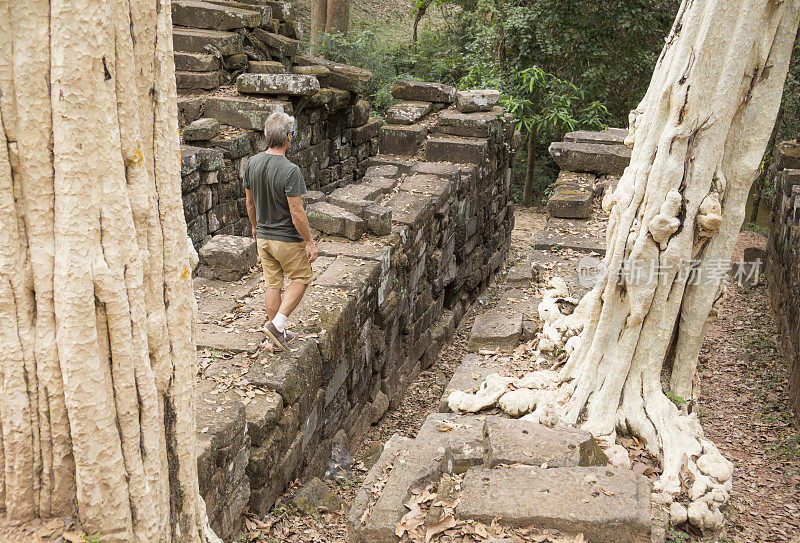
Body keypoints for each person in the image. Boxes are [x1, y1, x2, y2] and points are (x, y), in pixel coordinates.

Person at [244, 111, 318, 351]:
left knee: (273, 284)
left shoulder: (251, 163)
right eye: (292, 134)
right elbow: (296, 212)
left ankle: (276, 337)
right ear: (288, 137)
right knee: (302, 277)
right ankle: (278, 324)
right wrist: (309, 242)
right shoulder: (290, 170)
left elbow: (249, 202)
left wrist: (255, 228)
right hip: (285, 238)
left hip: (264, 237)